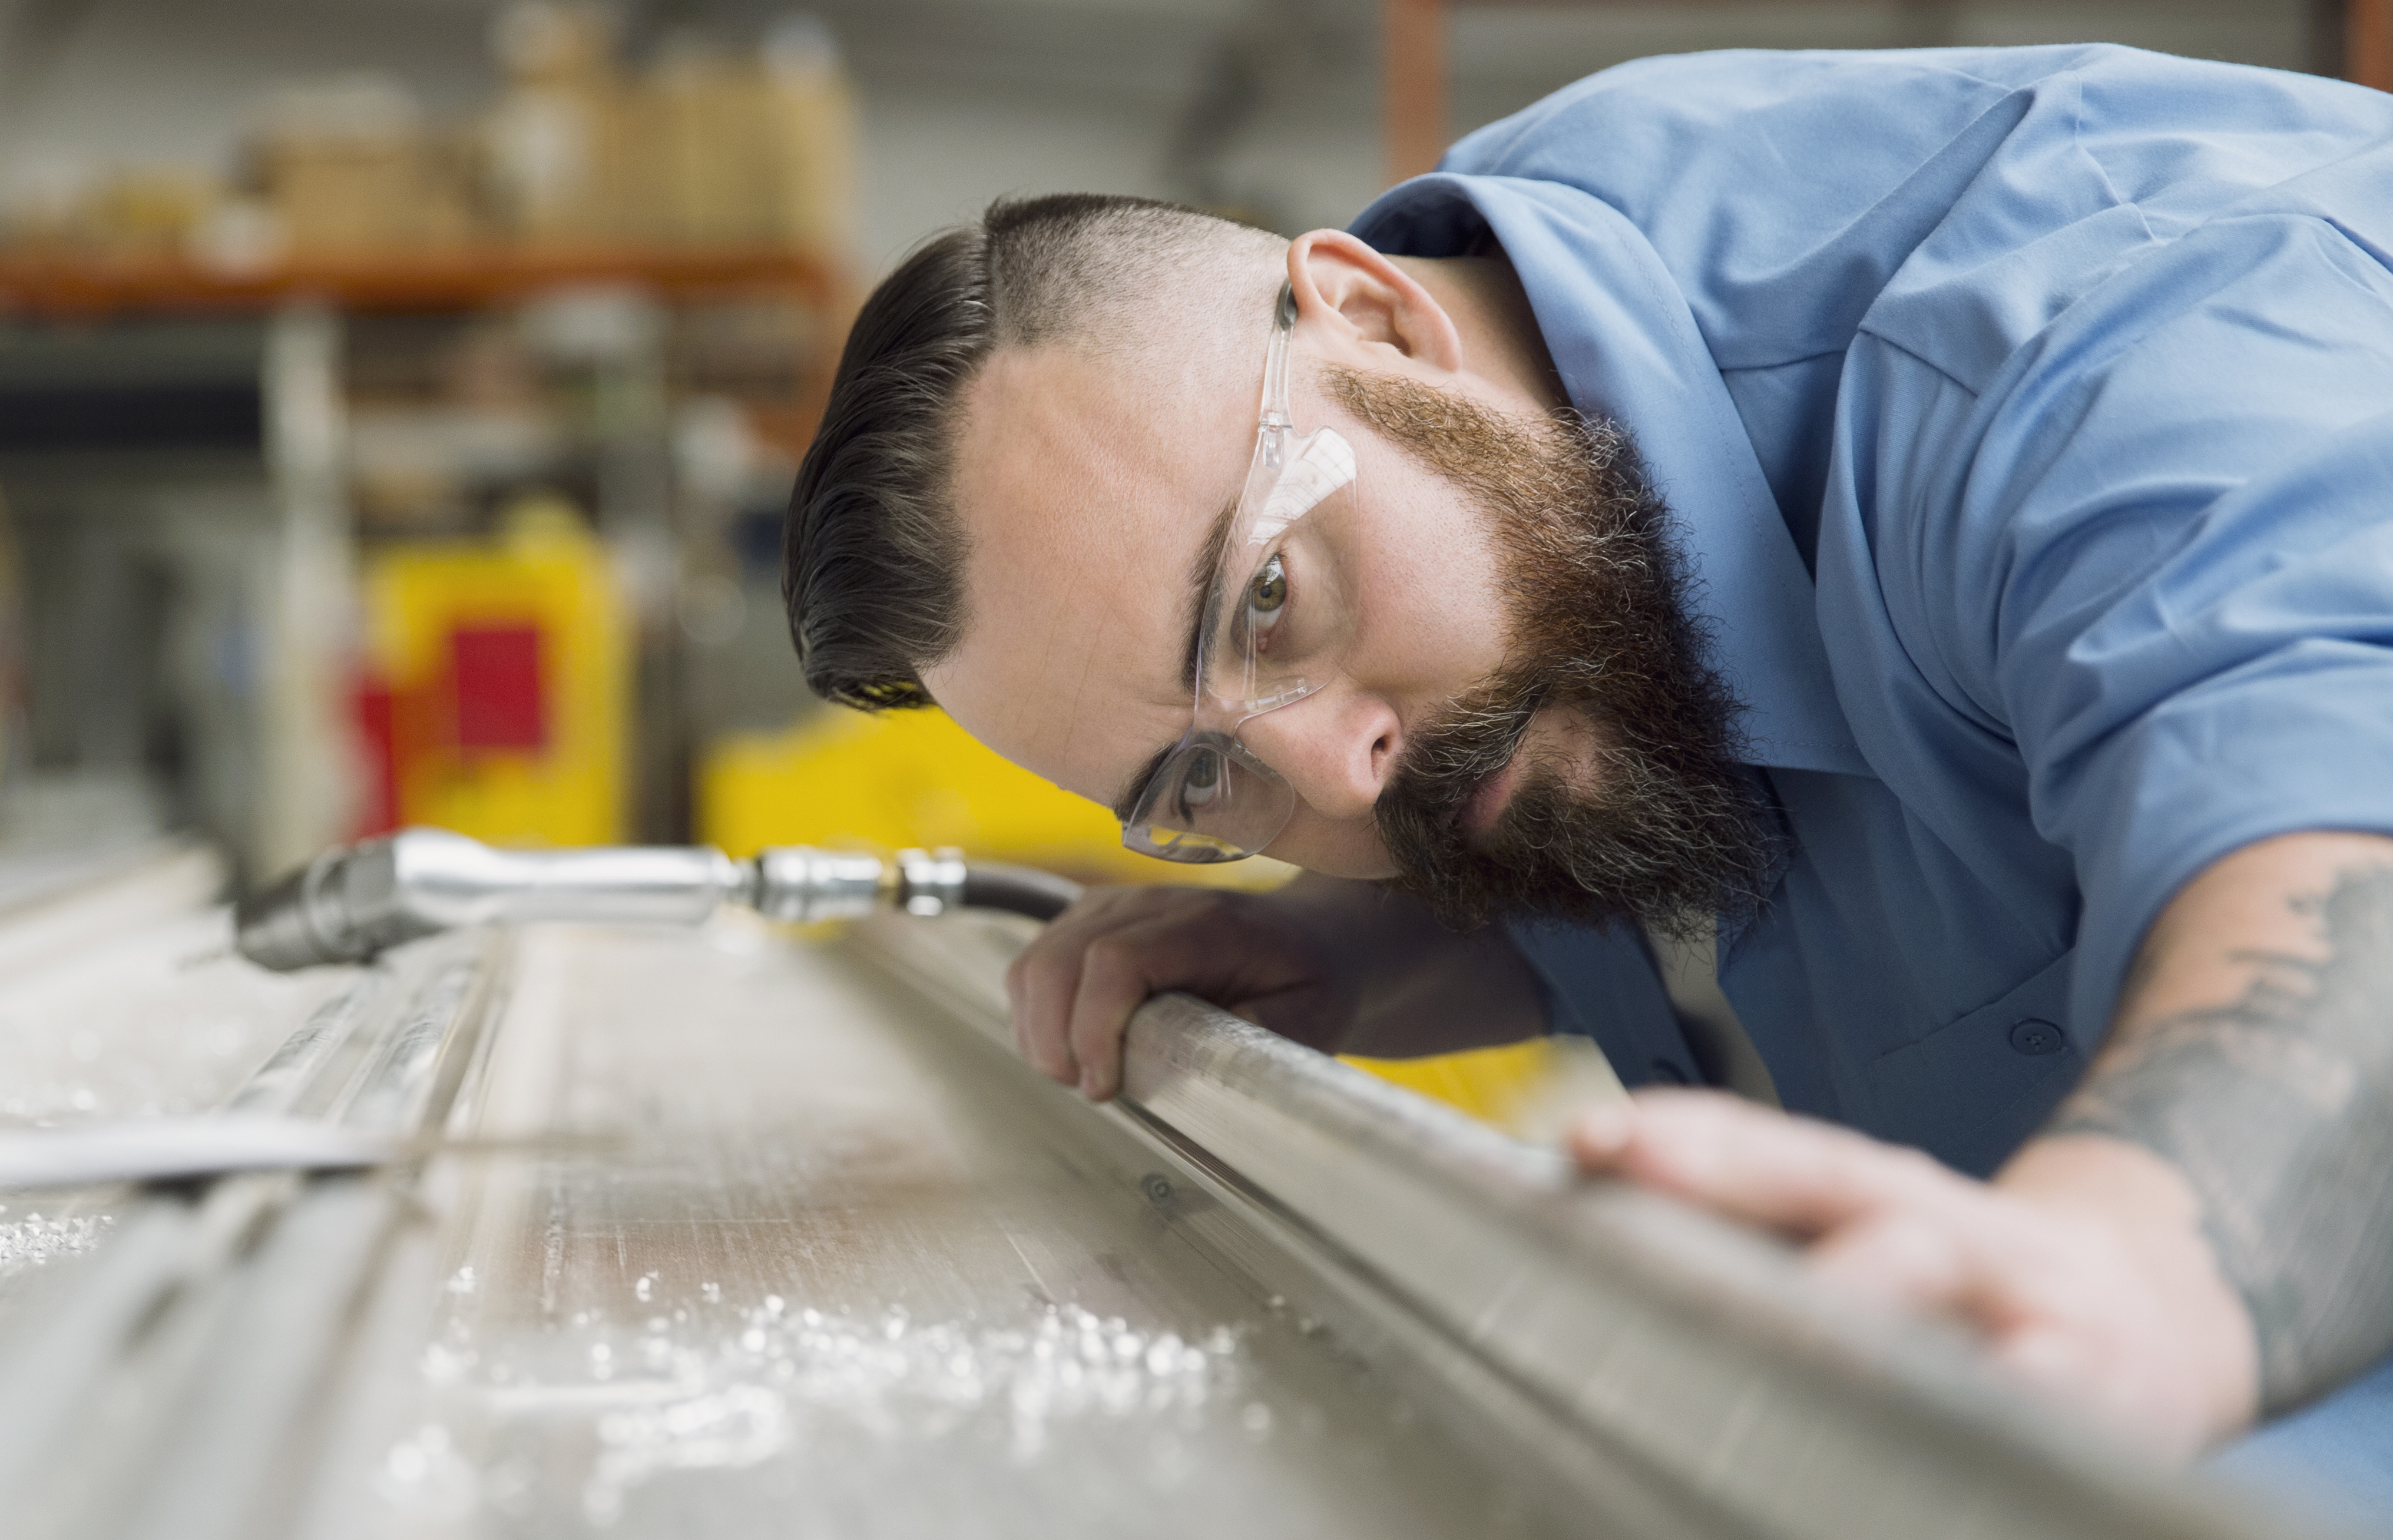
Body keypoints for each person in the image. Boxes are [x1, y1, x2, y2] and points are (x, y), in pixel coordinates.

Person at [782, 43, 2393, 1498]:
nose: (1340, 788)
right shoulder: (1497, 408)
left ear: (1372, 313)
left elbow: (2347, 896)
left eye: (1267, 600)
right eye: (1201, 780)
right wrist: (1361, 948)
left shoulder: (2102, 348)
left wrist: (2134, 1281)